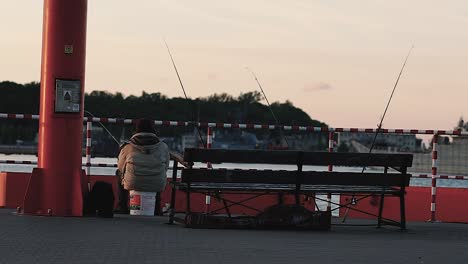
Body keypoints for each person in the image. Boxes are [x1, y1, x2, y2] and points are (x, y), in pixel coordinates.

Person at [116, 118, 170, 214]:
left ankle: (123, 206)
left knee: (118, 173)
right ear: (154, 130)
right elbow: (165, 167)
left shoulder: (127, 147)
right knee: (159, 175)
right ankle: (156, 208)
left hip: (133, 183)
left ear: (136, 130)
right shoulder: (163, 147)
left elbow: (120, 167)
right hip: (157, 183)